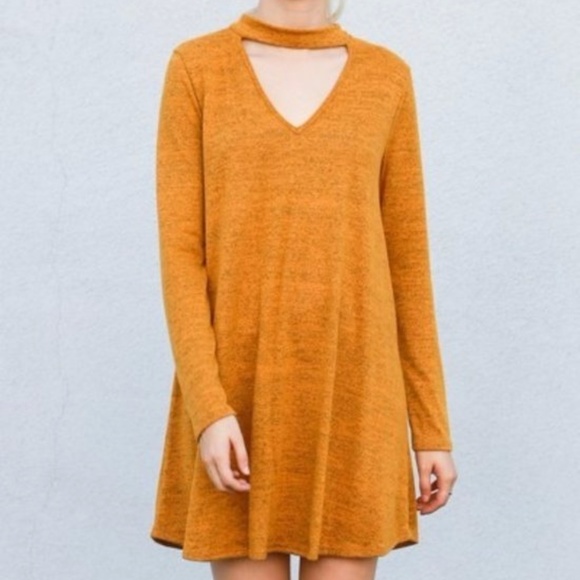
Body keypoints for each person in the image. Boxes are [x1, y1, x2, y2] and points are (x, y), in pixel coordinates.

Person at [150, 1, 459, 579]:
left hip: (355, 398)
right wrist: (208, 410)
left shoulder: (386, 77)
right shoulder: (197, 68)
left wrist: (431, 427)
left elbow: (408, 265)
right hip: (237, 403)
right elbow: (182, 259)